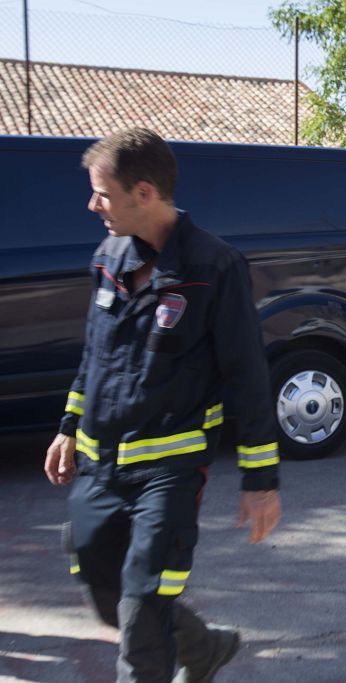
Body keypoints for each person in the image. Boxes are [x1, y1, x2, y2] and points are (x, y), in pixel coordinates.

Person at [43, 129, 282, 683]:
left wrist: (260, 475)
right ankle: (203, 649)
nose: (91, 204)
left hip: (168, 474)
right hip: (101, 468)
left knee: (143, 619)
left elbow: (246, 375)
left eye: (102, 193)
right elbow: (93, 357)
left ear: (144, 192)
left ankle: (177, 654)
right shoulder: (107, 259)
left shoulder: (213, 267)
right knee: (108, 594)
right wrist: (67, 426)